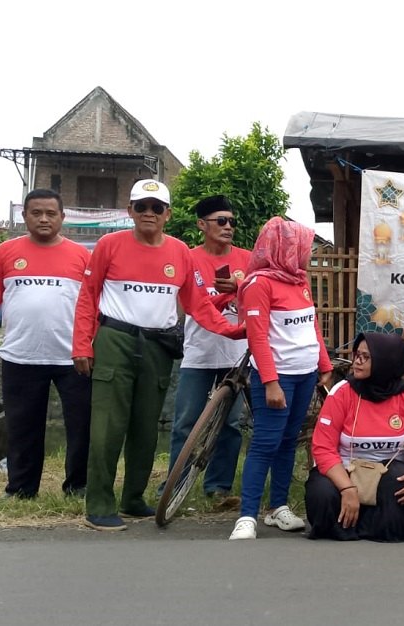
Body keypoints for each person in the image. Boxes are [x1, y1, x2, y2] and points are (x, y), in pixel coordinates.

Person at [72, 179, 244, 531]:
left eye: (156, 207)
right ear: (130, 211)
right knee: (107, 427)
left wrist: (235, 330)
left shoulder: (180, 252)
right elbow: (88, 296)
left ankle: (133, 498)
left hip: (157, 346)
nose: (148, 213)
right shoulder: (109, 245)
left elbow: (198, 304)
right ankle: (99, 504)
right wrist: (81, 345)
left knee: (147, 425)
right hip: (115, 339)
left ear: (168, 213)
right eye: (141, 207)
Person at [0, 189, 91, 498]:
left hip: (72, 358)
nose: (44, 218)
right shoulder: (6, 252)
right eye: (37, 213)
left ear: (62, 217)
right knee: (23, 428)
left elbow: (94, 304)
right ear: (25, 217)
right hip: (20, 356)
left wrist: (90, 345)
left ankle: (78, 486)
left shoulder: (82, 256)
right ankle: (21, 489)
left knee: (82, 427)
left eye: (51, 213)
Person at [228, 217, 333, 540]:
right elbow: (257, 337)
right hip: (277, 378)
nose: (307, 254)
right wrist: (271, 383)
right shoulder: (259, 285)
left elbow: (312, 325)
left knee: (288, 443)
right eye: (303, 247)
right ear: (285, 248)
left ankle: (279, 507)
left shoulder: (299, 281)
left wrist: (323, 364)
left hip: (304, 376)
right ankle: (247, 516)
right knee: (265, 443)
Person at [305, 332, 404, 542]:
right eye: (357, 355)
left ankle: (367, 525)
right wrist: (347, 488)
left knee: (402, 496)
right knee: (322, 495)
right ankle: (359, 523)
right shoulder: (341, 392)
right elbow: (323, 447)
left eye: (366, 357)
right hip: (344, 468)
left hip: (387, 469)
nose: (357, 362)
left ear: (385, 361)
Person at [162, 195, 250, 505]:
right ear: (202, 225)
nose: (228, 227)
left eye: (232, 222)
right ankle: (175, 484)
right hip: (199, 351)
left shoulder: (248, 259)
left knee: (230, 423)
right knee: (185, 421)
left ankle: (218, 487)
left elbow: (260, 299)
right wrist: (223, 298)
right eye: (221, 221)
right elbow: (192, 306)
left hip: (236, 354)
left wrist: (239, 289)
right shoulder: (188, 258)